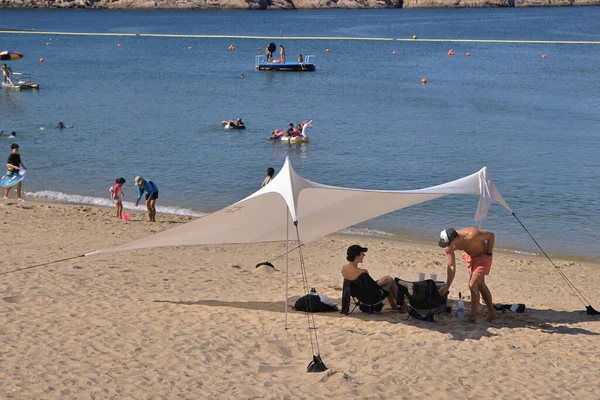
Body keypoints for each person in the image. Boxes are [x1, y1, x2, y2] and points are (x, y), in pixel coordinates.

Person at [438, 227, 497, 322]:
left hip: (483, 256)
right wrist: (447, 286)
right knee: (480, 284)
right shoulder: (448, 247)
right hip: (471, 256)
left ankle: (473, 316)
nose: (447, 246)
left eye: (448, 244)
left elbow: (491, 236)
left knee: (472, 284)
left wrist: (489, 253)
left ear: (455, 239)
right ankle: (492, 312)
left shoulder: (472, 234)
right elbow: (451, 266)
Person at [341, 245, 400, 311]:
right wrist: (380, 283)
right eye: (362, 254)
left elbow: (364, 286)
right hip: (371, 299)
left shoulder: (344, 268)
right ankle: (402, 307)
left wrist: (379, 282)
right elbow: (373, 289)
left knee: (387, 278)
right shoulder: (363, 272)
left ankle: (394, 307)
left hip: (360, 298)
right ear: (357, 257)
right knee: (390, 280)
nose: (364, 255)